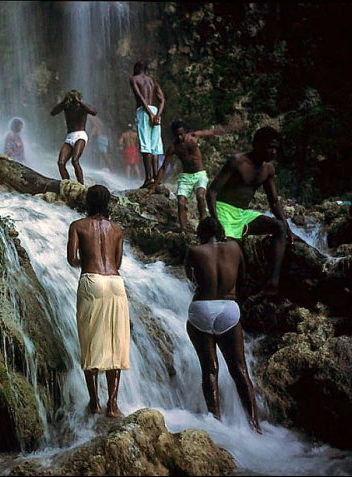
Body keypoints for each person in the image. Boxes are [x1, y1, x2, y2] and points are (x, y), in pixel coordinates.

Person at [184, 217, 261, 433]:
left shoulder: (194, 250)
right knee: (239, 369)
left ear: (201, 233)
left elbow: (191, 279)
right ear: (221, 232)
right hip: (229, 306)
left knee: (209, 369)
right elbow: (243, 277)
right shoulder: (235, 248)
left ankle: (216, 422)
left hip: (201, 308)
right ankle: (255, 425)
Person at [67, 185, 130, 418]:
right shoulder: (117, 229)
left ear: (88, 202)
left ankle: (94, 403)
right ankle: (113, 405)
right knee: (116, 341)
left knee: (91, 341)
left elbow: (72, 259)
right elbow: (118, 261)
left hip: (91, 280)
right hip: (115, 281)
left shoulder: (78, 226)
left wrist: (86, 259)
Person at [207, 127, 292, 295]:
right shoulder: (237, 161)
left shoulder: (268, 169)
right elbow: (212, 192)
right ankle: (227, 288)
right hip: (224, 209)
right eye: (269, 147)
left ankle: (272, 282)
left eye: (276, 148)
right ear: (257, 145)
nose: (273, 152)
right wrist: (216, 220)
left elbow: (274, 202)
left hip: (243, 214)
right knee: (229, 246)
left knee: (280, 228)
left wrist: (288, 229)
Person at [149, 118, 245, 231]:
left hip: (200, 174)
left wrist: (232, 128)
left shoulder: (194, 136)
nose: (180, 137)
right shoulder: (173, 147)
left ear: (185, 132)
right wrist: (153, 187)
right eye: (177, 135)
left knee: (200, 196)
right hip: (185, 176)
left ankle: (204, 223)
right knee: (180, 202)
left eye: (181, 134)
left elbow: (213, 132)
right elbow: (163, 168)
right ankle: (183, 229)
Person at [129, 60, 165, 188]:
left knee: (146, 146)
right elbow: (162, 100)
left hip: (144, 112)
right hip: (155, 111)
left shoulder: (134, 79)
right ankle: (156, 178)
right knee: (155, 146)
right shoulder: (153, 81)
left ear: (137, 68)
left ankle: (148, 178)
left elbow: (139, 96)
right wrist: (157, 115)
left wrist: (149, 113)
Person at [51, 90, 97, 184]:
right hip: (69, 137)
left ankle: (81, 184)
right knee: (61, 163)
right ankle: (67, 183)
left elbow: (94, 112)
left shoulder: (83, 107)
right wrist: (63, 102)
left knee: (75, 160)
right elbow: (53, 113)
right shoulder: (66, 107)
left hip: (80, 135)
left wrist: (79, 102)